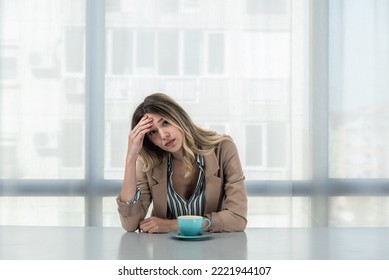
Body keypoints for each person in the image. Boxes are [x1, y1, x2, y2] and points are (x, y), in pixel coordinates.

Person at [117, 93, 247, 233]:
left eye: (165, 123)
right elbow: (130, 224)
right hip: (165, 250)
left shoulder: (223, 148)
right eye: (153, 132)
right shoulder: (149, 162)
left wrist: (173, 225)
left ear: (178, 117)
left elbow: (237, 218)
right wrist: (130, 159)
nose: (163, 135)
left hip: (213, 249)